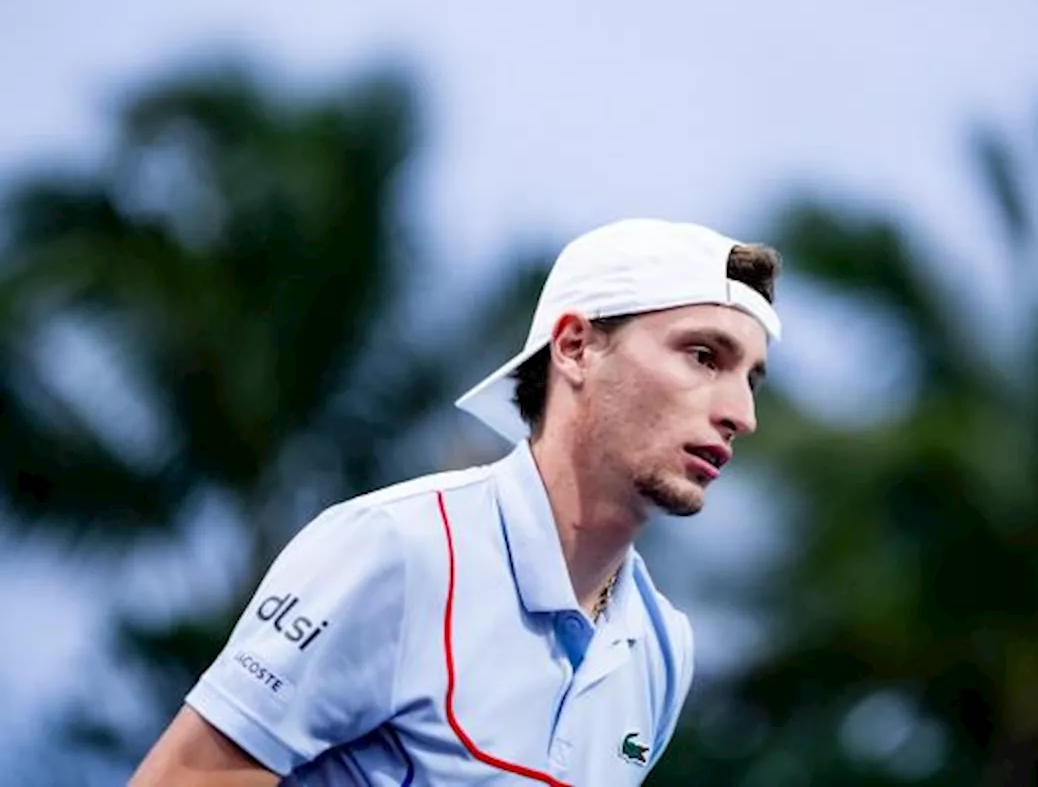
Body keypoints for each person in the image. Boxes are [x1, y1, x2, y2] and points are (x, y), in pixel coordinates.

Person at [130, 217, 783, 786]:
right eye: (703, 356)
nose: (741, 414)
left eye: (750, 378)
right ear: (575, 347)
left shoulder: (663, 647)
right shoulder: (393, 547)